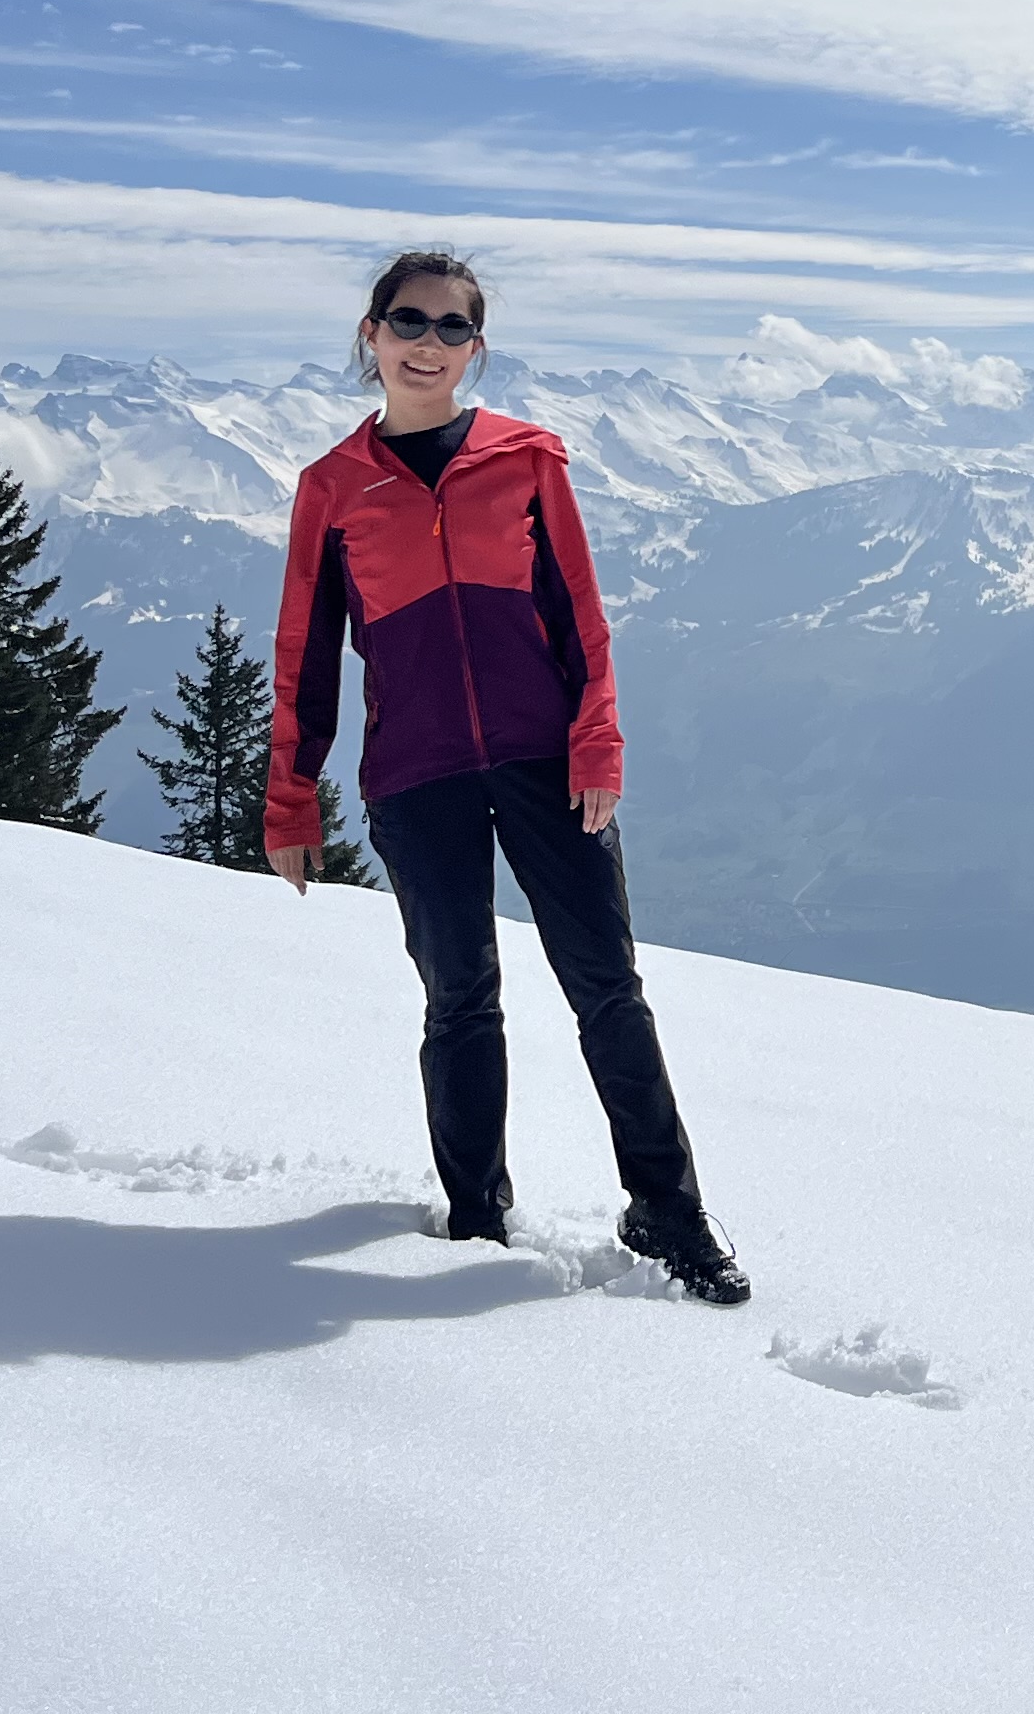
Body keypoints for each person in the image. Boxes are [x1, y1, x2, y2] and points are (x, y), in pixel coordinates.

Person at [267, 248, 750, 1304]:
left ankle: (670, 1213)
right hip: (416, 776)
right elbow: (304, 654)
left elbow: (582, 614)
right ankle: (476, 1216)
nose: (428, 343)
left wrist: (597, 744)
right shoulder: (332, 490)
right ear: (371, 335)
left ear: (476, 348)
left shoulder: (527, 460)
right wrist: (291, 800)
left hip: (546, 763)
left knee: (608, 990)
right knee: (461, 1000)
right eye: (409, 321)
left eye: (453, 327)